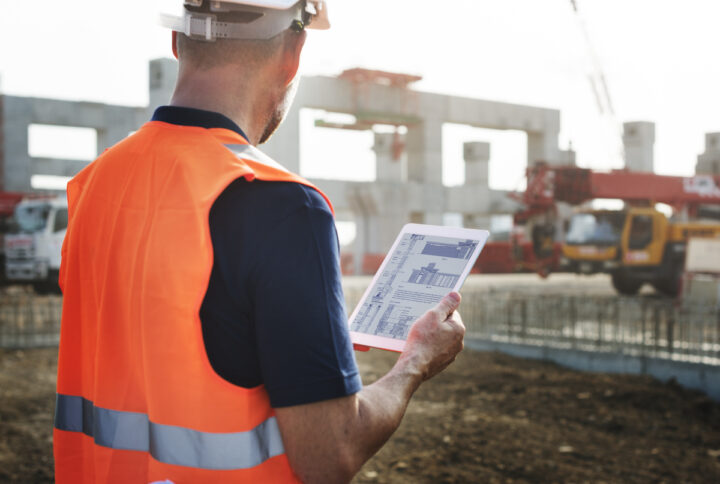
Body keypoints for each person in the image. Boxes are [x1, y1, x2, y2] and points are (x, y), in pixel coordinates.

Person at [53, 1, 465, 482]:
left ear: (176, 41)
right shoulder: (281, 206)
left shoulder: (96, 183)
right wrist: (415, 361)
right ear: (293, 53)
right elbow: (329, 454)